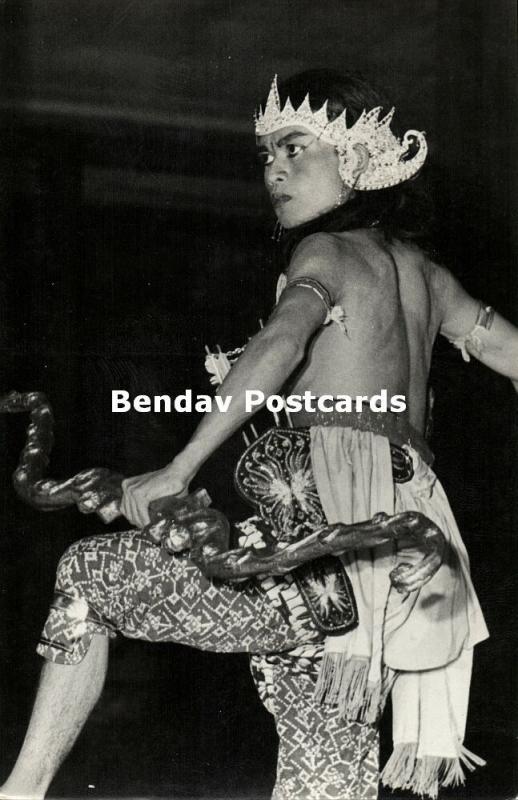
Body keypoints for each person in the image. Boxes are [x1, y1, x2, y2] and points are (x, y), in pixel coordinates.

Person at [2, 69, 517, 800]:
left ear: (358, 160)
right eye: (266, 155)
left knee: (89, 575)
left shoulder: (326, 256)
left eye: (295, 148)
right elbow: (509, 351)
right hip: (386, 572)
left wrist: (177, 469)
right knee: (324, 773)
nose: (273, 169)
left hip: (328, 545)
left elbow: (277, 349)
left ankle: (19, 793)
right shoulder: (428, 278)